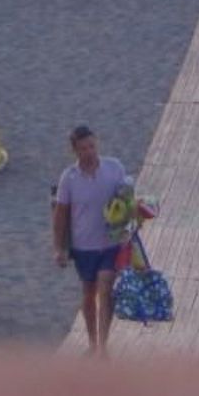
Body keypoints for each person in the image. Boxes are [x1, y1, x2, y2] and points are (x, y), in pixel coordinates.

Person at [52, 125, 128, 357]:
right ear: (75, 150)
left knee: (106, 287)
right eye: (83, 148)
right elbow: (61, 214)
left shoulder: (114, 168)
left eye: (92, 146)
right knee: (89, 292)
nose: (89, 152)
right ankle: (93, 342)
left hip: (111, 242)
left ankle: (103, 347)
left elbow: (126, 201)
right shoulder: (69, 178)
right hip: (83, 246)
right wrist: (59, 248)